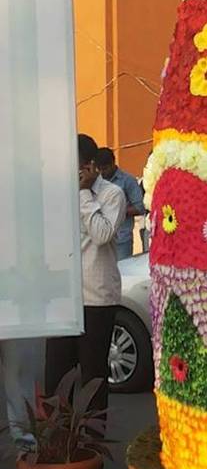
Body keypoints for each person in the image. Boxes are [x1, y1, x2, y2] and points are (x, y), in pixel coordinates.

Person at [45, 134, 126, 425]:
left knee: (93, 377)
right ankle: (57, 442)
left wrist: (84, 194)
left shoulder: (112, 194)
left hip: (97, 298)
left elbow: (102, 234)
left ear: (90, 165)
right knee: (56, 376)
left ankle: (92, 445)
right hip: (63, 298)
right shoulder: (58, 193)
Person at [95, 148, 145, 260]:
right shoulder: (96, 182)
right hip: (101, 240)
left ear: (113, 163)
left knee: (123, 274)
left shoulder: (128, 181)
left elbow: (140, 207)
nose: (102, 173)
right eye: (100, 169)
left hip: (121, 240)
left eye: (105, 169)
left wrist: (117, 210)